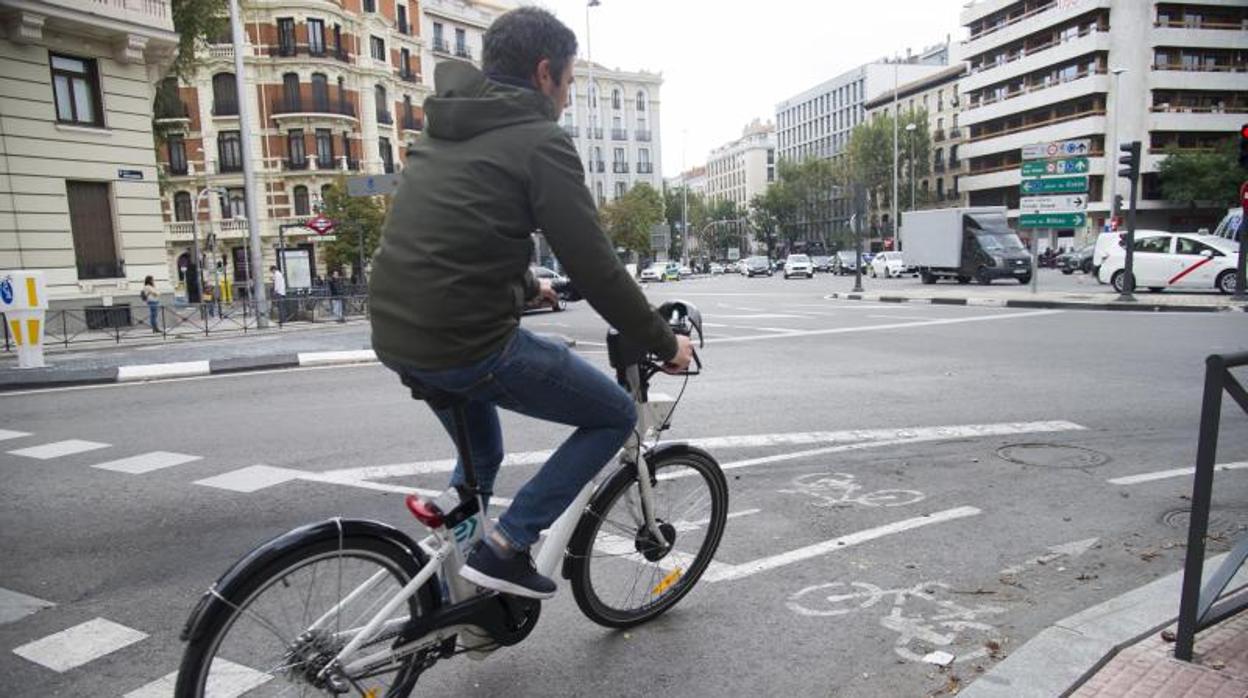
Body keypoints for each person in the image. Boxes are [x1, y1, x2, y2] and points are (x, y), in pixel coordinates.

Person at [369, 7, 693, 600]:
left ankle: (459, 593)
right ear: (545, 73)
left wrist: (525, 287)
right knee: (613, 414)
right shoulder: (539, 138)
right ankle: (508, 547)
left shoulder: (447, 126)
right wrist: (664, 342)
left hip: (396, 332)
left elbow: (461, 236)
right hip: (465, 343)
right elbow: (595, 266)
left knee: (482, 457)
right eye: (569, 84)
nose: (567, 100)